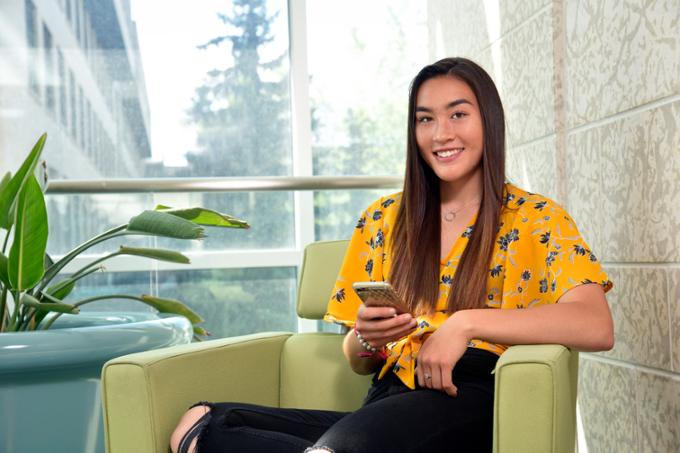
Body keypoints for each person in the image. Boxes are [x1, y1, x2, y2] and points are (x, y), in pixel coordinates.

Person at [169, 57, 614, 453]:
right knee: (200, 422)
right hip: (388, 397)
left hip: (469, 393)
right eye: (425, 119)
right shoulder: (382, 219)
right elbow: (356, 358)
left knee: (340, 447)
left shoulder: (536, 217)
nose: (441, 134)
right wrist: (366, 337)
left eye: (458, 114)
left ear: (489, 122)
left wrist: (464, 323)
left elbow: (595, 324)